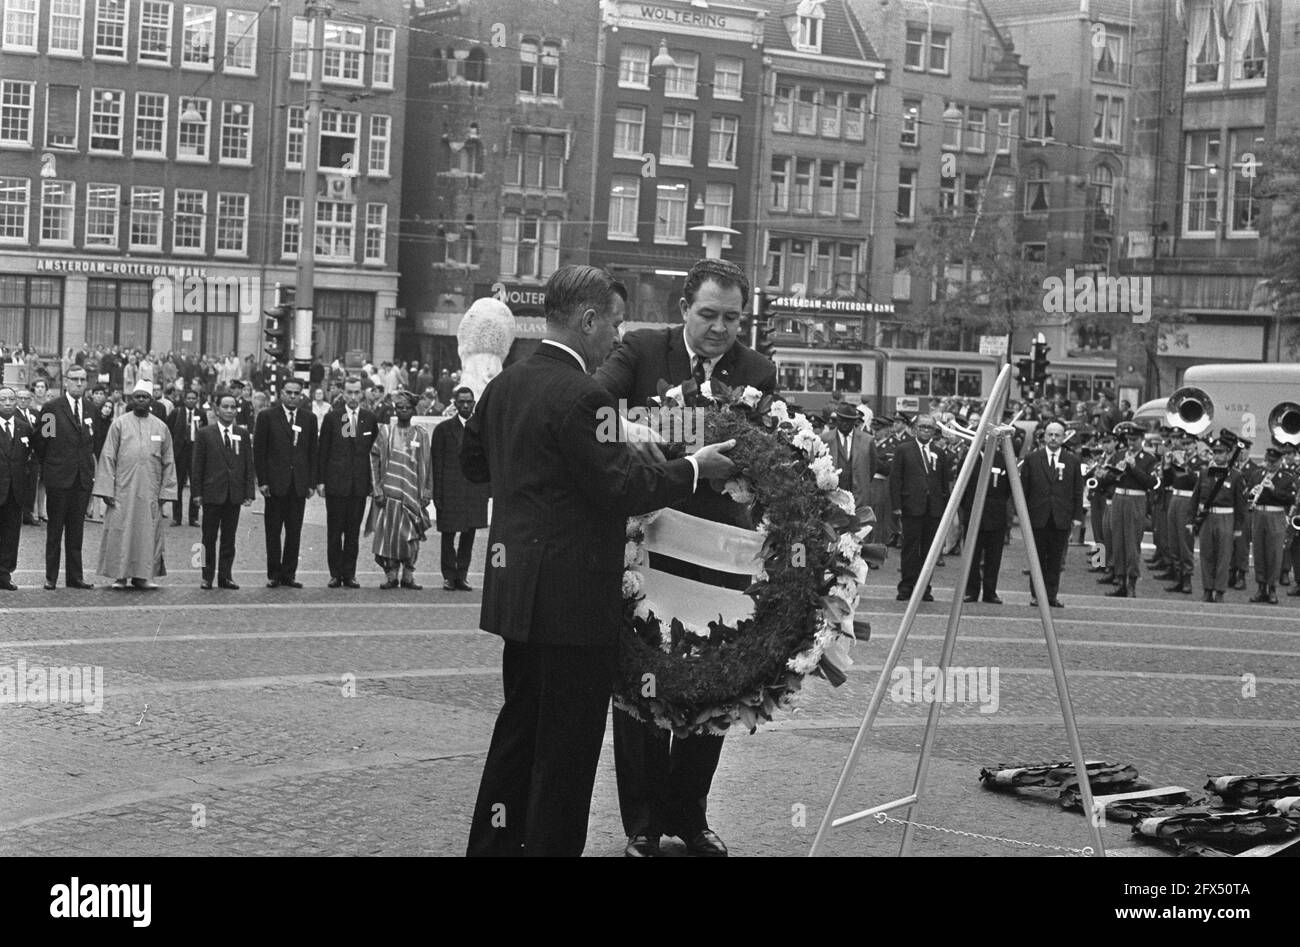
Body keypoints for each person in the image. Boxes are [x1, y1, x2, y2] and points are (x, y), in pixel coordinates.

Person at [463, 264, 736, 858]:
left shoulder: (506, 384)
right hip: (573, 603)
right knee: (568, 750)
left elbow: (473, 464)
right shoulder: (584, 394)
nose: (617, 336)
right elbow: (621, 489)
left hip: (517, 597)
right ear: (588, 320)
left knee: (518, 732)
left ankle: (491, 848)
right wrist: (694, 468)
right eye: (613, 322)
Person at [593, 257, 774, 858]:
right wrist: (632, 431)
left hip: (719, 551)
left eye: (732, 318)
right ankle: (643, 823)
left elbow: (772, 456)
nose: (721, 328)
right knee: (642, 687)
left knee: (712, 685)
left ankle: (690, 816)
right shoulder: (642, 352)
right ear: (683, 310)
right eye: (709, 315)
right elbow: (591, 407)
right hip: (646, 545)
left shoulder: (758, 371)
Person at [94, 380, 177, 590]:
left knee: (148, 534)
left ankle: (144, 576)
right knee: (120, 531)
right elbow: (107, 456)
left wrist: (166, 491)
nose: (141, 400)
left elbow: (169, 460)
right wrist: (106, 489)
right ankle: (119, 576)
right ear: (132, 399)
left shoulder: (161, 427)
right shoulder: (119, 424)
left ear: (150, 400)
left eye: (145, 397)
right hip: (123, 491)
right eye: (138, 396)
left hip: (150, 491)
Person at [34, 366, 96, 590]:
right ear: (66, 382)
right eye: (75, 379)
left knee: (76, 531)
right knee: (55, 530)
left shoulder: (90, 409)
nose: (79, 383)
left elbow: (92, 442)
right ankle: (51, 576)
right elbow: (41, 442)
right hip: (59, 478)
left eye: (83, 380)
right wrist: (53, 465)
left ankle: (75, 576)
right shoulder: (52, 408)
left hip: (81, 480)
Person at [254, 377, 317, 588]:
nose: (292, 396)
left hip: (298, 485)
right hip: (275, 484)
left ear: (301, 395)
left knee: (294, 531)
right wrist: (262, 480)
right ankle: (274, 573)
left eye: (296, 393)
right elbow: (259, 451)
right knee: (273, 531)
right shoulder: (267, 417)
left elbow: (312, 452)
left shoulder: (309, 419)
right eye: (289, 392)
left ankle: (289, 574)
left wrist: (311, 483)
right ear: (281, 393)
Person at [317, 377, 379, 588]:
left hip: (359, 485)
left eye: (356, 393)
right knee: (335, 531)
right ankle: (335, 573)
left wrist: (373, 482)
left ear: (362, 393)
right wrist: (321, 481)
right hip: (336, 483)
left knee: (353, 532)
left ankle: (349, 573)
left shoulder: (369, 419)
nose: (353, 397)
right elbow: (323, 449)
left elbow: (374, 452)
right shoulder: (333, 417)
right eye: (349, 393)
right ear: (343, 393)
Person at [368, 391, 433, 589]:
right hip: (388, 496)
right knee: (388, 535)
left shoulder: (421, 434)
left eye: (407, 408)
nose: (403, 411)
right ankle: (391, 575)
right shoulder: (386, 433)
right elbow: (373, 460)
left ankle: (408, 576)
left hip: (412, 495)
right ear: (395, 410)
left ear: (413, 410)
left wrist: (427, 491)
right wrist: (376, 488)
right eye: (400, 408)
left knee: (411, 537)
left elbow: (428, 464)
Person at [191, 394, 255, 590]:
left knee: (229, 538)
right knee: (207, 538)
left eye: (232, 407)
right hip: (212, 493)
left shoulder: (242, 434)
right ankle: (206, 575)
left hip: (233, 494)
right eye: (225, 406)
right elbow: (197, 465)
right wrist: (197, 493)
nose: (229, 410)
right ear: (217, 409)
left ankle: (225, 576)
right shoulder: (205, 433)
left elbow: (247, 464)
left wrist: (248, 492)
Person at [432, 386, 491, 591]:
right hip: (450, 490)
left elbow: (489, 461)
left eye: (469, 402)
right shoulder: (443, 430)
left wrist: (488, 490)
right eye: (461, 402)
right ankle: (448, 575)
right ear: (455, 404)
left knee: (469, 534)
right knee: (448, 534)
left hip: (475, 490)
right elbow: (436, 464)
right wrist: (436, 494)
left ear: (474, 403)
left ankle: (462, 575)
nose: (465, 405)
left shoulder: (482, 429)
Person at [1021, 422, 1084, 608]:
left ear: (1064, 437)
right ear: (1044, 437)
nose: (1054, 438)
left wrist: (1077, 516)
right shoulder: (1032, 459)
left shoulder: (1072, 461)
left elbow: (1077, 490)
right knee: (1037, 557)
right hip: (1037, 516)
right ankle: (1036, 595)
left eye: (1057, 435)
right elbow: (1024, 489)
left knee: (1056, 559)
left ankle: (1051, 595)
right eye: (1050, 434)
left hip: (1061, 517)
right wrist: (1023, 515)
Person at [890, 415, 949, 603]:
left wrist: (944, 508)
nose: (925, 430)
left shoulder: (939, 453)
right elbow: (896, 479)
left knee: (929, 550)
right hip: (911, 507)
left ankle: (924, 587)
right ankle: (906, 586)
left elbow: (944, 483)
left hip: (933, 509)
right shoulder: (903, 450)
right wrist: (897, 506)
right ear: (915, 428)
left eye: (929, 428)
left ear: (934, 431)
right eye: (922, 427)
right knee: (910, 549)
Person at [1103, 422, 1159, 597]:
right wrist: (1114, 473)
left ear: (1142, 440)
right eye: (1129, 439)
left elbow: (1151, 483)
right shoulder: (1119, 455)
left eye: (1135, 440)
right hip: (1119, 497)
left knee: (1132, 542)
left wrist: (1134, 467)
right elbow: (1106, 480)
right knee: (1117, 540)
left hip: (1136, 499)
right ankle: (1120, 580)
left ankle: (1132, 581)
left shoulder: (1149, 459)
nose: (1131, 443)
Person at [1193, 439, 1247, 602]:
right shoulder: (1204, 472)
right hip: (1208, 517)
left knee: (1223, 557)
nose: (1217, 456)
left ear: (1229, 454)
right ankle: (1207, 589)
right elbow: (1195, 498)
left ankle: (1220, 591)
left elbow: (1241, 504)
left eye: (1221, 452)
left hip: (1226, 517)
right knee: (1207, 554)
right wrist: (1190, 520)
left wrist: (1238, 527)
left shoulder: (1236, 475)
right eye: (1215, 452)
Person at [960, 441, 1012, 604]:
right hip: (974, 512)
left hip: (996, 514)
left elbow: (1009, 488)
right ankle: (971, 590)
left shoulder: (1004, 459)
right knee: (972, 555)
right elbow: (962, 486)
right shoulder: (970, 458)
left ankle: (990, 591)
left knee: (994, 555)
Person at [1245, 446, 1297, 604]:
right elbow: (1246, 493)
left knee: (1274, 553)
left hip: (1276, 516)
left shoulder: (1287, 477)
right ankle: (1261, 587)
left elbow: (1290, 499)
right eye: (1268, 461)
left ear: (1280, 461)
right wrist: (1251, 493)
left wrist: (1273, 489)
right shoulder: (1257, 474)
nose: (1270, 465)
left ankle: (1272, 588)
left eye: (1273, 462)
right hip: (1259, 514)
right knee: (1259, 551)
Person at [820, 401, 881, 529]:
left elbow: (872, 467)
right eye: (841, 419)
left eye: (849, 420)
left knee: (859, 533)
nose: (844, 423)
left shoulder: (867, 440)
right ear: (837, 419)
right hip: (832, 496)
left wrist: (861, 481)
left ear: (855, 421)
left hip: (858, 495)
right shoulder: (825, 439)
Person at [0, 386, 34, 590]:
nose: (7, 403)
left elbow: (29, 455)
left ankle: (5, 573)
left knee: (11, 534)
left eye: (11, 399)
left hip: (15, 491)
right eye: (3, 399)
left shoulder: (24, 427)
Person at [1161, 429, 1203, 594]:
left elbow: (1196, 482)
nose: (1185, 447)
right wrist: (1166, 466)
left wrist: (1184, 464)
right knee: (1174, 540)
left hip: (1188, 500)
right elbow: (1169, 481)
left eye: (1188, 444)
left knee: (1185, 542)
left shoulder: (1200, 462)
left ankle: (1187, 579)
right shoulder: (1178, 459)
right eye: (1183, 444)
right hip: (1175, 498)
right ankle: (1178, 577)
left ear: (1195, 444)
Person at [166, 389, 206, 527]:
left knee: (196, 485)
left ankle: (193, 517)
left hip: (195, 452)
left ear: (197, 400)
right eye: (188, 398)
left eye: (193, 398)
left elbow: (205, 433)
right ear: (184, 400)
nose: (191, 400)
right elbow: (168, 430)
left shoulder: (201, 414)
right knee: (178, 485)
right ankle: (177, 517)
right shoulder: (176, 413)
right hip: (180, 453)